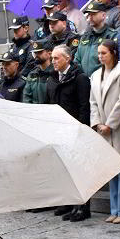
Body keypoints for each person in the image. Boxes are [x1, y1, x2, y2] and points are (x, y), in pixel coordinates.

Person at [89, 40, 120, 225]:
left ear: (113, 53)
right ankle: (115, 208)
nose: (100, 57)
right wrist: (97, 123)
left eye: (104, 53)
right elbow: (92, 101)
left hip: (119, 128)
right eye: (99, 53)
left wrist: (110, 124)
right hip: (103, 129)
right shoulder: (95, 75)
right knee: (111, 170)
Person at [48, 44, 92, 222]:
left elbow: (84, 105)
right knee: (65, 170)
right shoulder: (52, 79)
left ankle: (83, 207)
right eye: (52, 58)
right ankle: (70, 204)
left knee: (79, 170)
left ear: (68, 58)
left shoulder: (79, 78)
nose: (53, 62)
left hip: (75, 130)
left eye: (57, 58)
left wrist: (81, 129)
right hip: (59, 130)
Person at [75, 0, 115, 76]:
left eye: (93, 14)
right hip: (84, 81)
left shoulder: (111, 35)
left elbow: (112, 60)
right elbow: (77, 59)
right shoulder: (85, 36)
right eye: (89, 14)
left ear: (103, 15)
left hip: (102, 79)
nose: (90, 17)